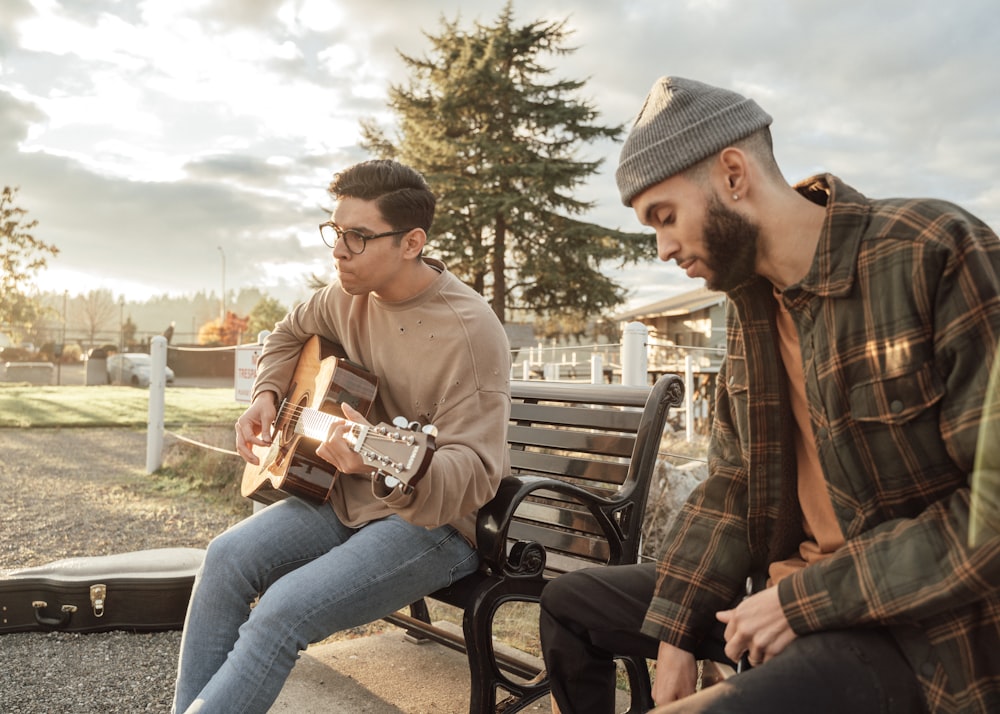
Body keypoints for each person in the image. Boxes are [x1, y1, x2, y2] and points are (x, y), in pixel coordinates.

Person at [539, 76, 1000, 713]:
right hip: (777, 595)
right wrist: (677, 624)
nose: (663, 247)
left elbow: (992, 511)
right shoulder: (750, 312)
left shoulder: (931, 253)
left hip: (917, 629)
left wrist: (802, 601)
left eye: (665, 217)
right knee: (570, 605)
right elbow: (732, 484)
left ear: (733, 174)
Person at [172, 159, 512, 713]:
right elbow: (284, 335)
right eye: (335, 232)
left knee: (281, 612)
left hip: (433, 524)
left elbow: (473, 473)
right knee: (225, 558)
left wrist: (377, 455)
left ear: (412, 243)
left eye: (357, 237)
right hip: (345, 499)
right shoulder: (344, 296)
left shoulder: (471, 332)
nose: (338, 250)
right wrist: (265, 397)